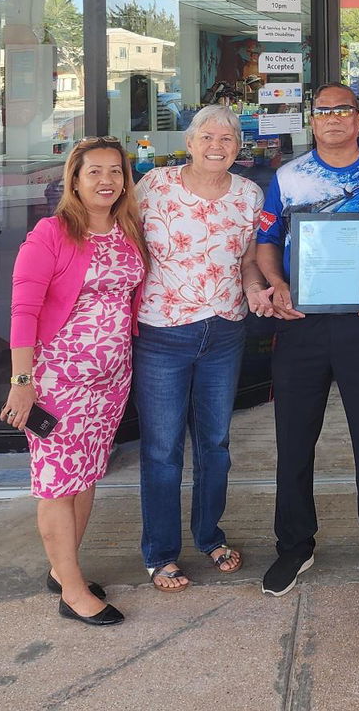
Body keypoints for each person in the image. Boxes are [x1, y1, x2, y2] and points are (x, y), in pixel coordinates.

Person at [254, 84, 359, 595]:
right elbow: (266, 242)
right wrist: (277, 286)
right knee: (295, 440)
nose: (333, 119)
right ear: (312, 119)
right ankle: (294, 546)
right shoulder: (288, 177)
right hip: (300, 322)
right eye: (323, 111)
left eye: (343, 110)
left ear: (358, 117)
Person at [2, 136, 149, 626]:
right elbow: (24, 310)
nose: (106, 180)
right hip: (58, 380)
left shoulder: (127, 230)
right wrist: (23, 380)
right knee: (56, 482)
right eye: (94, 172)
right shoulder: (51, 233)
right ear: (74, 179)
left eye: (115, 172)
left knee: (84, 475)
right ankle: (72, 592)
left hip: (110, 380)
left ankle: (64, 570)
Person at [133, 104, 271, 593]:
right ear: (189, 143)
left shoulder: (249, 194)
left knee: (214, 445)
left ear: (238, 147)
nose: (217, 146)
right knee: (163, 449)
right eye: (207, 137)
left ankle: (210, 535)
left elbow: (252, 260)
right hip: (162, 333)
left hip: (225, 331)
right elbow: (125, 243)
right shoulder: (155, 186)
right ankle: (161, 552)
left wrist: (256, 288)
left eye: (228, 139)